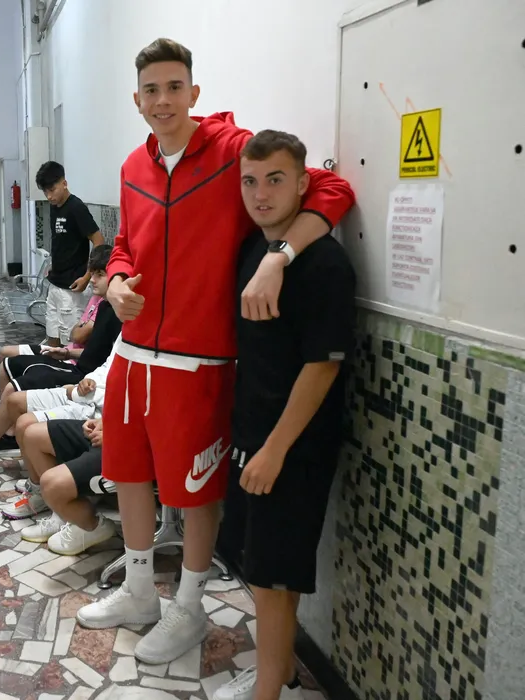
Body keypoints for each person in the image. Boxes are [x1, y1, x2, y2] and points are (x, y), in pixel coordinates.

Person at [76, 38, 355, 665]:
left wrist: (279, 257)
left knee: (196, 492)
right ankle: (139, 592)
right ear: (137, 100)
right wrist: (116, 281)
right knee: (128, 473)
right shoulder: (133, 166)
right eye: (151, 90)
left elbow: (332, 188)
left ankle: (189, 606)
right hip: (134, 355)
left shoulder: (234, 152)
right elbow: (125, 244)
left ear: (194, 92)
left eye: (174, 87)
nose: (163, 100)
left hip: (199, 361)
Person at [213, 132, 355, 700]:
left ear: (302, 184)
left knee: (274, 578)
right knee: (263, 566)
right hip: (253, 431)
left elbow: (322, 368)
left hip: (293, 447)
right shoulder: (256, 250)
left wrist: (275, 451)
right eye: (250, 181)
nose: (261, 193)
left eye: (275, 180)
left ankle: (269, 690)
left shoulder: (324, 264)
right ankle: (283, 670)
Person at [0, 328, 118, 482]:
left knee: (24, 421)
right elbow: (106, 365)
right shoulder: (119, 324)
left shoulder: (123, 322)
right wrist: (88, 378)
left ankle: (40, 485)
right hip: (84, 389)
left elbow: (121, 391)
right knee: (14, 398)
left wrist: (74, 389)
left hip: (90, 397)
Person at [2, 245, 119, 395]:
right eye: (92, 274)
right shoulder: (101, 304)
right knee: (7, 363)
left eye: (100, 275)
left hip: (84, 375)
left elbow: (82, 339)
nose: (91, 280)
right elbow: (76, 335)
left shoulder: (115, 314)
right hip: (73, 358)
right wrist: (66, 352)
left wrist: (68, 354)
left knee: (13, 389)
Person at [12, 413, 118, 555]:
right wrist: (103, 420)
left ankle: (91, 526)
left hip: (129, 445)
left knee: (51, 484)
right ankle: (62, 516)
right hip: (116, 428)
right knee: (32, 435)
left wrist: (117, 438)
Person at [35, 161, 105, 346]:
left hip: (73, 288)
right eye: (45, 192)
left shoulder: (76, 207)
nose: (49, 196)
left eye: (52, 190)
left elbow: (99, 241)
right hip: (55, 283)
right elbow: (62, 240)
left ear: (64, 183)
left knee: (70, 344)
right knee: (52, 339)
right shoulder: (54, 206)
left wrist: (87, 277)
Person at [0, 292, 100, 393]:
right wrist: (66, 351)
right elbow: (74, 334)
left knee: (11, 385)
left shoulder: (105, 309)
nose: (93, 282)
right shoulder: (96, 298)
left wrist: (68, 353)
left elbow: (79, 337)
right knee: (5, 353)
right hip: (69, 351)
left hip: (77, 365)